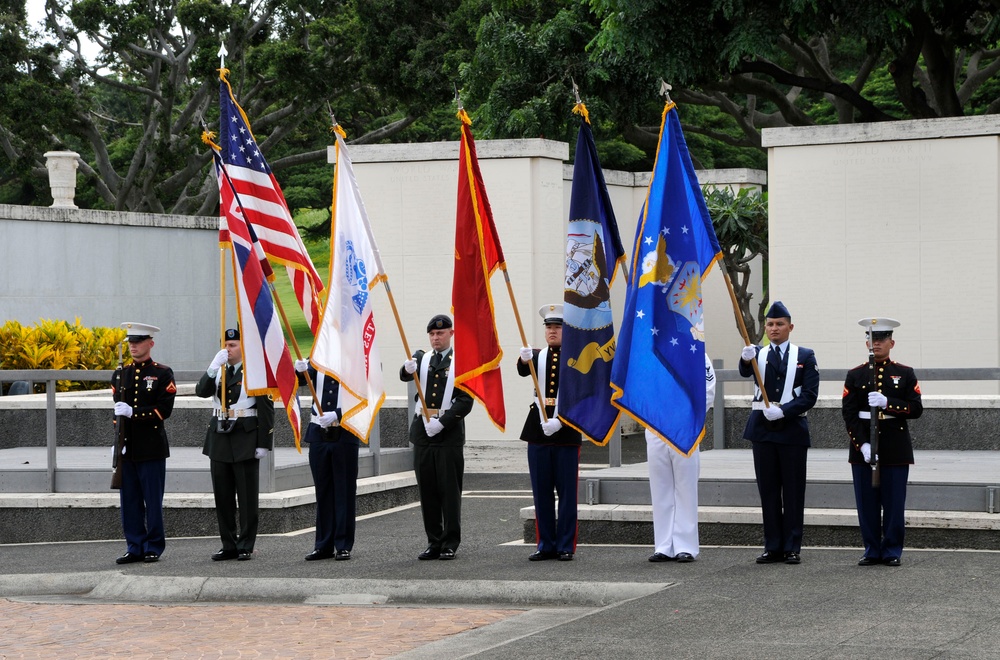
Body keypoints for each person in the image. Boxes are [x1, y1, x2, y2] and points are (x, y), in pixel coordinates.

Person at [738, 301, 819, 565]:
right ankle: (772, 546)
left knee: (794, 491)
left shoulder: (805, 356)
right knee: (769, 491)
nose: (774, 329)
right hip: (762, 430)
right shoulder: (758, 353)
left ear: (790, 327)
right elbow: (743, 371)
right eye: (770, 324)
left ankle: (792, 546)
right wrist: (744, 357)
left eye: (780, 324)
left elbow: (809, 396)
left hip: (791, 429)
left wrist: (785, 411)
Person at [843, 318, 922, 567]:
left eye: (881, 339)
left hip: (895, 446)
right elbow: (849, 414)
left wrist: (889, 403)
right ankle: (871, 549)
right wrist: (862, 445)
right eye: (872, 339)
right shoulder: (855, 374)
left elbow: (916, 408)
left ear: (891, 342)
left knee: (894, 502)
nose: (876, 344)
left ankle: (891, 550)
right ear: (867, 342)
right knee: (866, 503)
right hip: (864, 448)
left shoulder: (904, 373)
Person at [195, 328, 275, 562]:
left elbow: (266, 410)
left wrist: (264, 443)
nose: (228, 349)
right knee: (223, 496)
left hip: (245, 438)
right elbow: (201, 391)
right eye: (226, 345)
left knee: (247, 497)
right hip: (219, 438)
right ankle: (228, 544)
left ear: (244, 347)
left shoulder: (254, 372)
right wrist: (212, 367)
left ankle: (246, 544)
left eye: (233, 345)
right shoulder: (219, 371)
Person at [400, 314, 474, 560]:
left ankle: (450, 541)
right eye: (432, 334)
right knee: (428, 490)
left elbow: (465, 401)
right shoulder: (422, 358)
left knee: (449, 491)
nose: (435, 338)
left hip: (447, 433)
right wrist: (405, 368)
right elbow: (404, 374)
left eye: (440, 334)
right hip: (423, 433)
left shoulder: (460, 362)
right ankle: (433, 540)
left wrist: (442, 423)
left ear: (451, 334)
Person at [518, 304, 581, 562]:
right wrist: (523, 358)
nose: (552, 331)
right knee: (541, 491)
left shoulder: (577, 357)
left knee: (567, 493)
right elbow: (523, 370)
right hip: (538, 430)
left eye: (557, 327)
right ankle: (545, 544)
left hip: (566, 431)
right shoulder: (536, 356)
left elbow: (581, 396)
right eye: (549, 327)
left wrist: (562, 422)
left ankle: (565, 544)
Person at [111, 322, 177, 564]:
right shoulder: (120, 374)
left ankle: (153, 546)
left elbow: (163, 411)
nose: (133, 347)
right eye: (130, 343)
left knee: (152, 500)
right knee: (129, 501)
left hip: (151, 447)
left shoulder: (162, 373)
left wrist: (134, 412)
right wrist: (117, 439)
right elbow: (117, 411)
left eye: (138, 342)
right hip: (128, 447)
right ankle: (134, 546)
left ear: (150, 343)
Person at [647, 353, 716, 563]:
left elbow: (708, 389)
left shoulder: (694, 349)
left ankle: (685, 545)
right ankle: (663, 545)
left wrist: (685, 415)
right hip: (655, 424)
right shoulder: (648, 349)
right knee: (660, 488)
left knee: (685, 487)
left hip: (685, 425)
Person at [293, 358, 358, 561]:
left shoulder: (354, 360)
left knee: (344, 490)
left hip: (344, 431)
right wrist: (299, 370)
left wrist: (338, 414)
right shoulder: (318, 360)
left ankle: (343, 544)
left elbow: (363, 396)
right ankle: (323, 544)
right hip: (318, 433)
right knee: (323, 491)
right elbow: (304, 380)